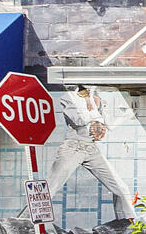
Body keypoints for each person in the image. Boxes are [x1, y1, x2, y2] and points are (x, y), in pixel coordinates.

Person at [45, 86, 133, 220]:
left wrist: (126, 113)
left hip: (92, 147)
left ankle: (128, 225)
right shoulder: (68, 97)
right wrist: (96, 116)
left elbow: (109, 124)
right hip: (74, 147)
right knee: (51, 187)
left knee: (121, 188)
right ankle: (25, 222)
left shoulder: (98, 98)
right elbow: (79, 120)